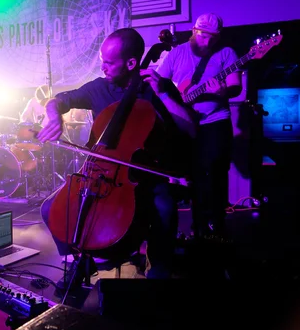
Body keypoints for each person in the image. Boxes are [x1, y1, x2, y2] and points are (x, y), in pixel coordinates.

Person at [36, 28, 196, 284]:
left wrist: (164, 94)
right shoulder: (99, 88)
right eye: (102, 60)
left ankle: (159, 273)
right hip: (99, 172)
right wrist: (54, 116)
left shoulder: (156, 87)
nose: (103, 67)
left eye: (109, 62)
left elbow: (189, 127)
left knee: (165, 208)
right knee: (48, 208)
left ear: (131, 63)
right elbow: (57, 100)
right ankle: (80, 261)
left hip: (142, 174)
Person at [156, 13, 241, 240]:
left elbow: (235, 86)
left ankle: (216, 225)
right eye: (204, 36)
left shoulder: (227, 54)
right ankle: (197, 226)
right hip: (186, 124)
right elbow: (160, 83)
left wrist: (223, 91)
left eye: (214, 38)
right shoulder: (177, 53)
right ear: (194, 31)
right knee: (193, 174)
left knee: (215, 172)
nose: (208, 42)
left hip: (215, 121)